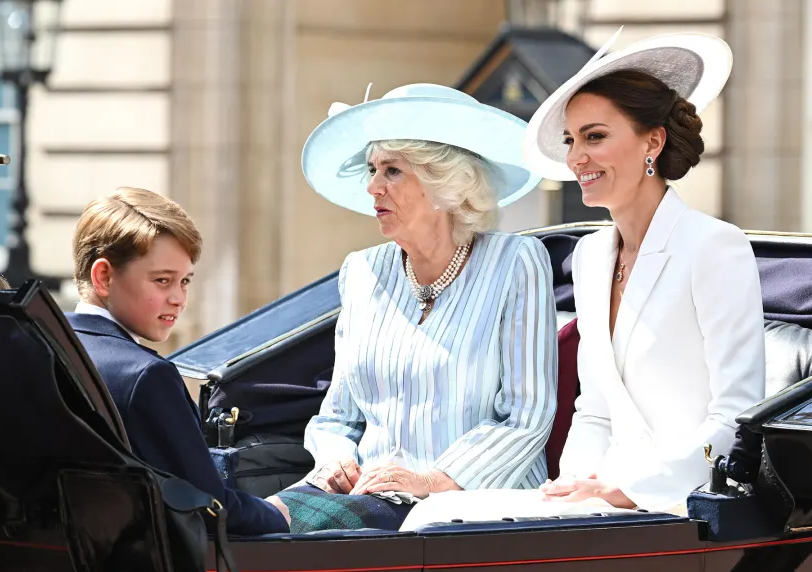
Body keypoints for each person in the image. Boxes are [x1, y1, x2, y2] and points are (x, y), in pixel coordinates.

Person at [277, 83, 558, 532]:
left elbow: (527, 414)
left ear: (445, 183)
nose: (372, 186)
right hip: (365, 493)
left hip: (473, 503)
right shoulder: (362, 271)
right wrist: (336, 460)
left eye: (392, 171)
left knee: (283, 541)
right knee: (242, 527)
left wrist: (432, 481)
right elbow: (337, 416)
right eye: (372, 169)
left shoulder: (516, 263)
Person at [522, 33, 766, 512]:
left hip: (681, 503)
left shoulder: (714, 246)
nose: (576, 157)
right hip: (600, 501)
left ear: (652, 141)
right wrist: (572, 488)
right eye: (571, 140)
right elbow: (594, 410)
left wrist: (632, 492)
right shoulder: (590, 255)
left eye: (594, 136)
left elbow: (735, 414)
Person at [66, 186, 290, 534]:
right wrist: (279, 513)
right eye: (162, 280)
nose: (178, 299)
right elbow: (209, 508)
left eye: (184, 281)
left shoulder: (45, 342)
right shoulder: (146, 376)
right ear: (104, 277)